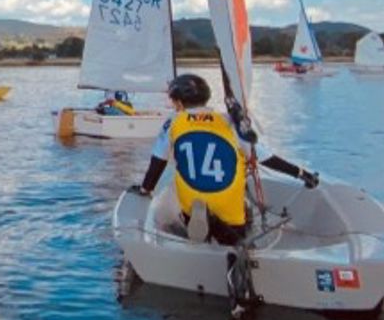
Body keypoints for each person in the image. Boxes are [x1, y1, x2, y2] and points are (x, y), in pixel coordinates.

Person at [128, 72, 319, 245]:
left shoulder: (172, 123)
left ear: (178, 102)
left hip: (192, 203)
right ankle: (230, 237)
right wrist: (301, 174)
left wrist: (146, 189)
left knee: (188, 202)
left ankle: (199, 224)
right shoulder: (230, 122)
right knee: (241, 218)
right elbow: (266, 158)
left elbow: (157, 162)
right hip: (229, 206)